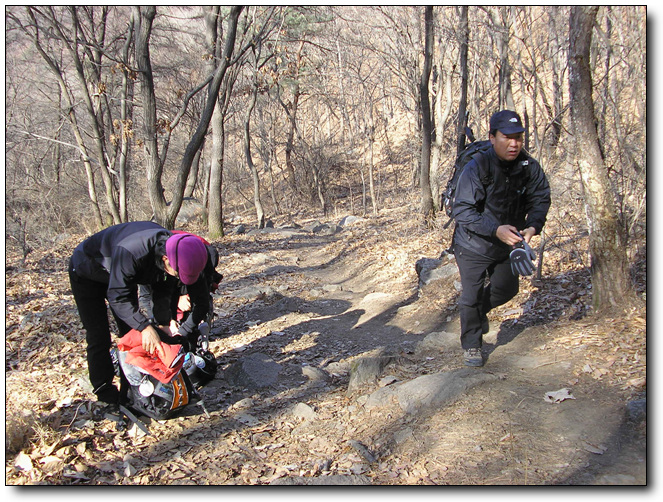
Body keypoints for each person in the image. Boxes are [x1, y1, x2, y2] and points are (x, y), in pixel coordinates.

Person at [68, 221, 210, 405]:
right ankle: (105, 393)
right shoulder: (133, 252)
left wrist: (163, 324)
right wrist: (144, 327)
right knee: (99, 335)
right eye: (178, 273)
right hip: (88, 270)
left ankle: (134, 388)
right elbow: (118, 298)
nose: (178, 277)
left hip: (121, 275)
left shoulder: (179, 252)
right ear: (166, 260)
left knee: (130, 333)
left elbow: (164, 291)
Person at [451, 110, 551, 367]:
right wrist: (495, 229)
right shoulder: (477, 167)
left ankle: (478, 313)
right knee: (470, 295)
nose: (514, 143)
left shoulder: (529, 167)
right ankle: (472, 344)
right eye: (507, 137)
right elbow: (462, 210)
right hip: (472, 243)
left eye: (518, 137)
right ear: (493, 137)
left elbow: (540, 198)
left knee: (508, 289)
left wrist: (532, 227)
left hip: (508, 245)